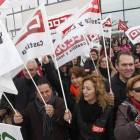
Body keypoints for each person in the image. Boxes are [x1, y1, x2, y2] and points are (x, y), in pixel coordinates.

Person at [42, 56, 87, 140]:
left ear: (83, 77)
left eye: (77, 77)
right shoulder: (66, 87)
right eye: (72, 78)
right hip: (73, 125)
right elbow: (53, 77)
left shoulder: (89, 89)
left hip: (87, 126)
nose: (74, 80)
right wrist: (47, 64)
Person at [64, 75, 115, 140]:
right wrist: (70, 120)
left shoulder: (107, 110)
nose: (84, 92)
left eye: (88, 89)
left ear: (97, 90)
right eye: (83, 88)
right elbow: (76, 129)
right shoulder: (78, 106)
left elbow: (111, 135)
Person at [114, 75, 140, 140]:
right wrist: (137, 125)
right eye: (138, 89)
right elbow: (119, 134)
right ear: (130, 92)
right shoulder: (124, 109)